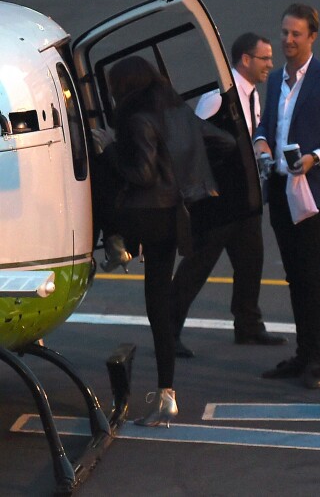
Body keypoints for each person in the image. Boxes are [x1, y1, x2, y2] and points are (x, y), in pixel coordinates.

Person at [100, 56, 236, 426]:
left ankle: (113, 240)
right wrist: (188, 173)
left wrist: (110, 149)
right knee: (158, 306)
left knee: (100, 168)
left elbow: (140, 173)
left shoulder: (136, 119)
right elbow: (224, 142)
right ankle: (166, 395)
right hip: (173, 218)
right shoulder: (178, 113)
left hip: (141, 218)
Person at [254, 3, 320, 389]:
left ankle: (316, 360)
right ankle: (302, 353)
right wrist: (261, 143)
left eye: (296, 34)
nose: (288, 40)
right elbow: (266, 123)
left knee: (313, 277)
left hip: (315, 195)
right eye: (284, 33)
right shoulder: (277, 77)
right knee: (295, 276)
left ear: (312, 36)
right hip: (281, 189)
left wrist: (316, 156)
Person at [172, 32, 287, 357]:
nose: (270, 64)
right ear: (245, 59)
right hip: (219, 205)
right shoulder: (219, 95)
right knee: (196, 268)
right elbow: (193, 140)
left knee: (251, 263)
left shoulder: (251, 95)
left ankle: (248, 326)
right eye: (264, 58)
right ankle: (168, 331)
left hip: (245, 202)